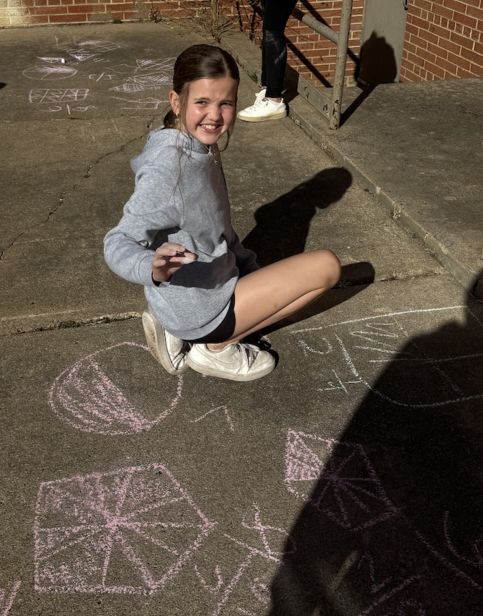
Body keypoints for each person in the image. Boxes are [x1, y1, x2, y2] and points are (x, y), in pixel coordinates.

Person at [103, 44, 341, 382]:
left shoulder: (198, 144)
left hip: (195, 292)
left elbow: (219, 231)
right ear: (176, 102)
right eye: (202, 102)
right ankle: (214, 349)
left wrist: (248, 272)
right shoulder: (169, 168)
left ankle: (177, 328)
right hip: (200, 306)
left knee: (281, 278)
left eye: (225, 103)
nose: (214, 115)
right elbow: (118, 241)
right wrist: (150, 268)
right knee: (327, 267)